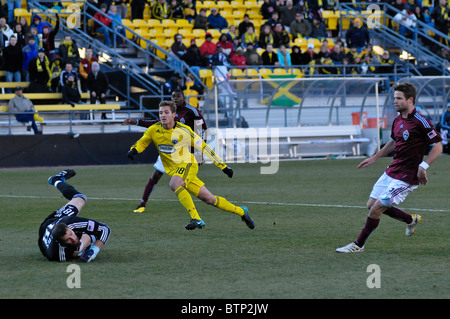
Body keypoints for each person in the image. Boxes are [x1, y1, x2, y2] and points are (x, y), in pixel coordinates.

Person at [336, 82, 443, 253]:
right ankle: (410, 220)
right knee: (371, 204)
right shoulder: (398, 120)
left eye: (399, 98)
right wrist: (375, 157)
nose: (395, 101)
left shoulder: (421, 122)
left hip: (406, 177)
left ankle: (358, 245)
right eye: (394, 98)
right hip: (392, 170)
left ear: (410, 100)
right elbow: (394, 141)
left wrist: (423, 166)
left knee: (376, 209)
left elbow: (438, 147)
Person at [127, 100, 255, 230]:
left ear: (173, 114)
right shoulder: (154, 129)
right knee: (210, 199)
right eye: (160, 113)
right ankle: (242, 211)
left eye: (166, 112)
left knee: (174, 184)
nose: (163, 115)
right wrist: (134, 150)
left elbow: (203, 147)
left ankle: (196, 218)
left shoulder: (184, 131)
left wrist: (223, 166)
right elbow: (142, 142)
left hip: (187, 164)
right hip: (174, 170)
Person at [123, 89, 207, 213]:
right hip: (168, 152)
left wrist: (198, 153)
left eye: (178, 96)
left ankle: (198, 205)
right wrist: (137, 122)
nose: (175, 98)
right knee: (156, 175)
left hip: (185, 154)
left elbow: (201, 129)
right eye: (173, 96)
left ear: (183, 98)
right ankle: (142, 203)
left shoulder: (192, 111)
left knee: (185, 181)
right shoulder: (167, 112)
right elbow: (154, 124)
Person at [39, 169, 111, 262]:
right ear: (61, 243)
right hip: (45, 237)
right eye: (68, 239)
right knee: (82, 244)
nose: (73, 238)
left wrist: (94, 251)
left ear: (69, 228)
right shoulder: (56, 255)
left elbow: (104, 229)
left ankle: (55, 179)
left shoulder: (69, 223)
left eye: (71, 234)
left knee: (80, 197)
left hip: (54, 220)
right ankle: (82, 245)